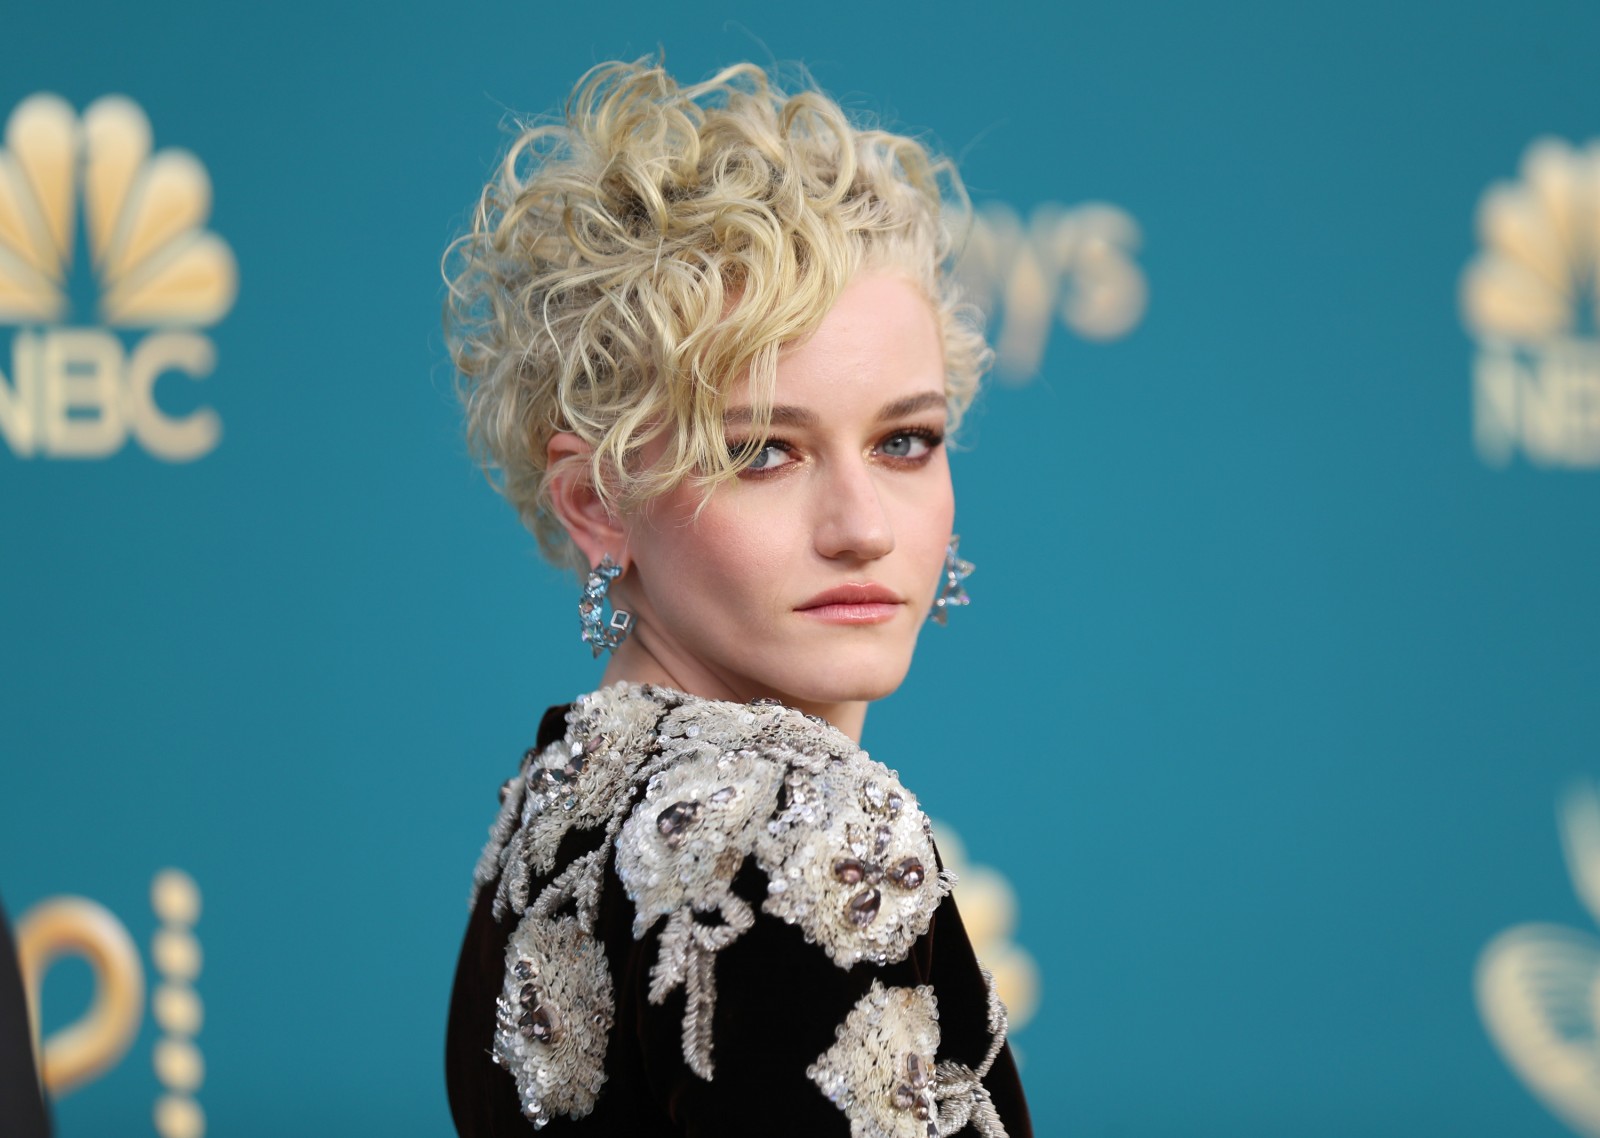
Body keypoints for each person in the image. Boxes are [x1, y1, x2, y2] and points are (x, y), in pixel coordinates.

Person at [442, 56, 1032, 1137]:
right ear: (596, 502)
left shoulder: (555, 797)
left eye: (905, 441)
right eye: (763, 451)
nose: (862, 526)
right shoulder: (805, 829)